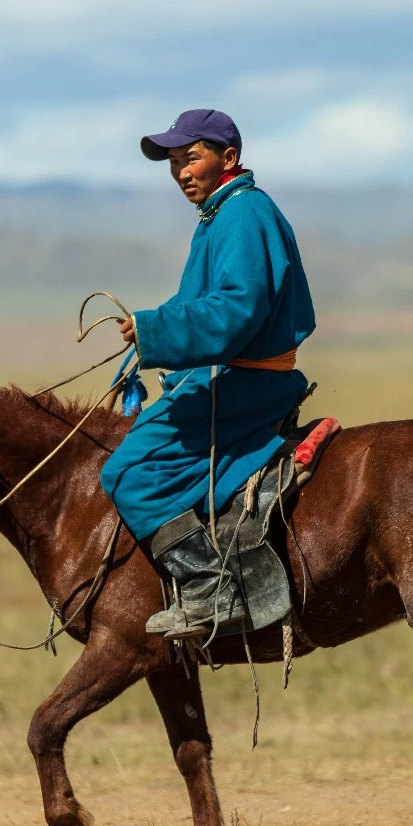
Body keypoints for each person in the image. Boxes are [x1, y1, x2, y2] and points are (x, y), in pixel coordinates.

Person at [99, 109, 315, 641]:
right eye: (173, 162)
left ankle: (211, 586)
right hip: (220, 379)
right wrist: (149, 340)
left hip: (244, 383)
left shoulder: (244, 214)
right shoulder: (221, 216)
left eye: (190, 157)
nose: (180, 172)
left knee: (128, 470)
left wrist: (156, 331)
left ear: (229, 158)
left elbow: (236, 311)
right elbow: (196, 305)